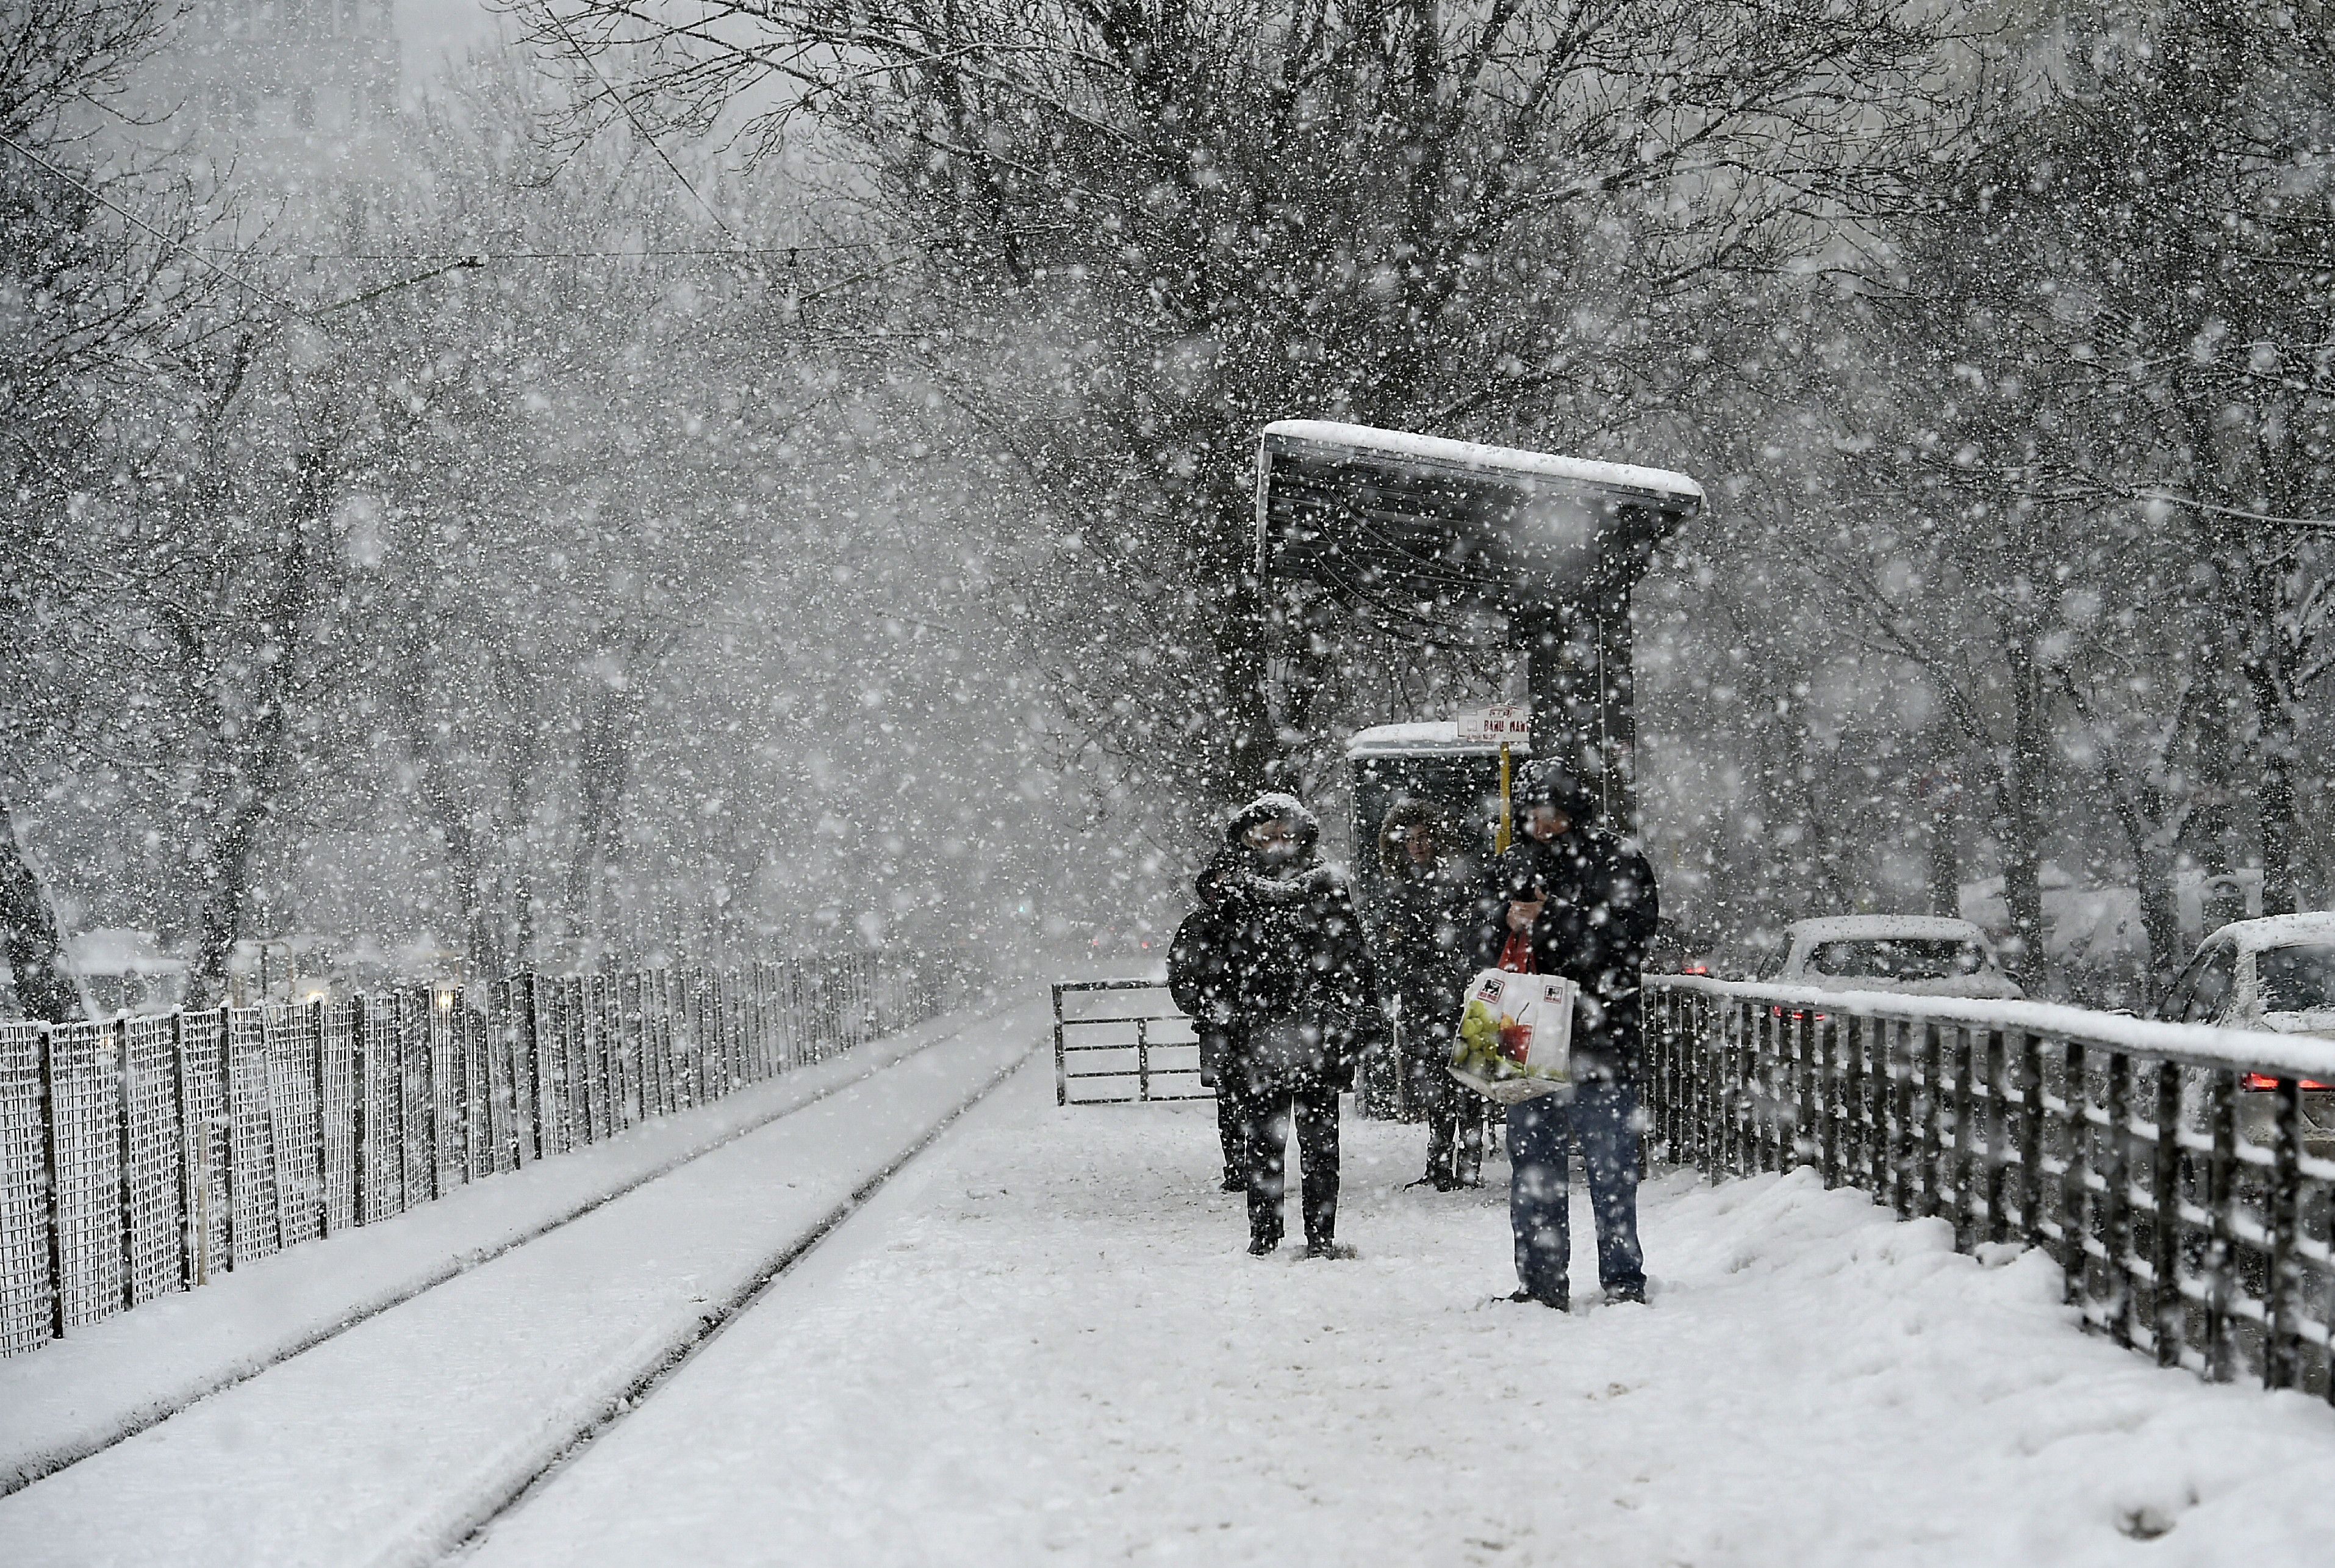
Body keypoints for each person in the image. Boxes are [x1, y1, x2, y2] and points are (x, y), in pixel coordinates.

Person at [1476, 763, 1659, 1309]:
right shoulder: (1513, 863)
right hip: (1542, 1038)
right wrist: (1504, 923)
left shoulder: (1615, 859)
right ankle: (1542, 1282)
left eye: (1551, 813)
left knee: (1607, 1170)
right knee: (1537, 1169)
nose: (1542, 823)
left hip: (1595, 1039)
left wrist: (1549, 916)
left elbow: (1629, 936)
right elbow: (1478, 942)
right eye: (1533, 813)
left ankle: (1620, 1280)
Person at [1211, 791, 1378, 1258]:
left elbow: (1355, 957)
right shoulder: (1235, 890)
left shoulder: (1326, 886)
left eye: (1286, 834)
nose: (1278, 844)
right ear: (1248, 840)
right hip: (1260, 1036)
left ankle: (1319, 1236)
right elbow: (1213, 959)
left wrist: (1358, 1014)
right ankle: (1265, 1234)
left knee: (1320, 1141)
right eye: (1267, 836)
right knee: (1265, 1140)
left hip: (1316, 1033)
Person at [1374, 798, 1485, 1190]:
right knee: (1437, 1080)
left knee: (1467, 1075)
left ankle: (1467, 1163)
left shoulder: (1456, 881)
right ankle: (1440, 1162)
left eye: (1423, 838)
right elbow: (1389, 940)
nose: (1418, 845)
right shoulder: (1398, 887)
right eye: (1411, 840)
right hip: (1423, 992)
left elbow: (1468, 933)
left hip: (1458, 990)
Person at [1167, 857, 1246, 1191]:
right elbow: (1179, 973)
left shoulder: (1252, 922)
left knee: (1250, 1100)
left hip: (1245, 1025)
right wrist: (1202, 1006)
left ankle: (1250, 1166)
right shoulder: (1199, 925)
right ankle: (1238, 1166)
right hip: (1219, 1028)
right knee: (1229, 1100)